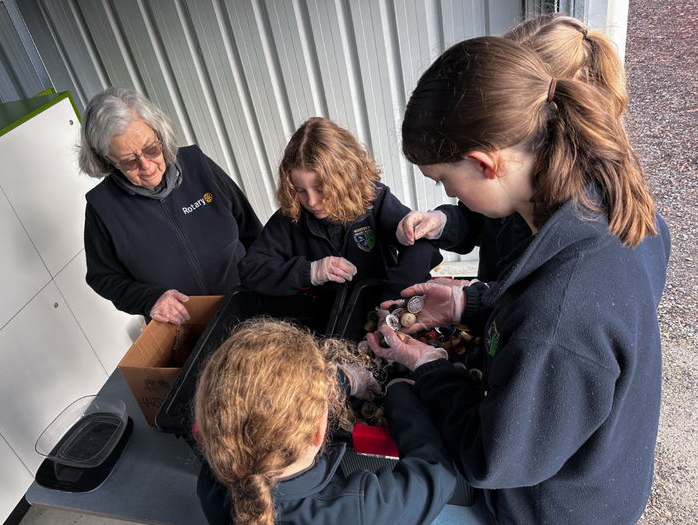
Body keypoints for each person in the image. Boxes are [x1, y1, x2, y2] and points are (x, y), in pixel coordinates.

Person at [368, 36, 671, 524]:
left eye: (445, 181)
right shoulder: (612, 201)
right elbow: (576, 335)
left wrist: (429, 366)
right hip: (604, 471)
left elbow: (492, 460)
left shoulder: (560, 315)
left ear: (486, 163)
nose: (449, 194)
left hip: (553, 509)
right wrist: (474, 305)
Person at [396, 14, 628, 283]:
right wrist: (443, 223)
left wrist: (473, 302)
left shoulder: (574, 232)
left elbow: (530, 304)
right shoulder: (519, 173)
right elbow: (487, 220)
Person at [193, 318, 457, 525]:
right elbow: (435, 473)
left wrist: (346, 381)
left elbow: (260, 404)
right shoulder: (360, 511)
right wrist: (399, 393)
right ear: (318, 433)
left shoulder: (213, 479)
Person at [79, 87, 262, 324]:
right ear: (106, 159)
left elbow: (252, 231)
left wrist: (263, 282)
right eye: (129, 161)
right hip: (185, 327)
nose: (146, 165)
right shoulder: (102, 208)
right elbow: (103, 277)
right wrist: (149, 299)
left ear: (160, 134)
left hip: (248, 303)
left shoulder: (198, 165)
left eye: (151, 149)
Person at [238, 117, 442, 301]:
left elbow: (422, 246)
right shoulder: (289, 218)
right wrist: (309, 272)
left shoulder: (373, 200)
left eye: (321, 190)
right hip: (324, 323)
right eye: (300, 190)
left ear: (346, 180)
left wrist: (395, 292)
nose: (311, 202)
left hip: (382, 308)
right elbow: (251, 269)